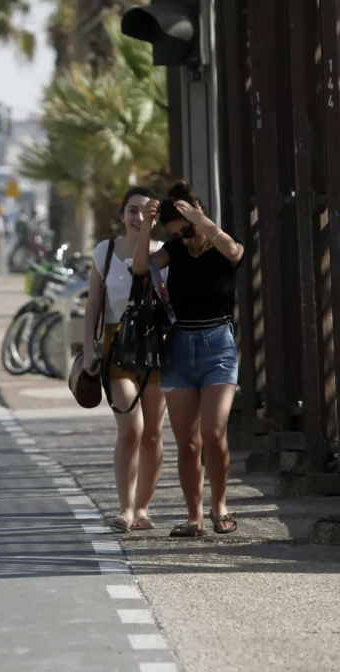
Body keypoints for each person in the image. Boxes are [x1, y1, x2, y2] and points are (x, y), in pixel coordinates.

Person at [132, 180, 244, 537]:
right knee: (188, 442)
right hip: (178, 347)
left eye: (189, 230)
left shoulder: (221, 248)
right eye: (178, 234)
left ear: (200, 217)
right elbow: (139, 268)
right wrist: (148, 226)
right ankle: (194, 517)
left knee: (213, 432)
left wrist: (202, 221)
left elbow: (234, 251)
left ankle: (219, 506)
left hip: (218, 347)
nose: (186, 238)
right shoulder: (173, 251)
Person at [82, 187, 167, 532]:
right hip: (117, 345)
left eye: (146, 211)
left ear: (155, 216)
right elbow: (94, 305)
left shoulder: (165, 253)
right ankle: (126, 507)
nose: (138, 217)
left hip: (156, 346)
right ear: (122, 215)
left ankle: (144, 507)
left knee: (153, 433)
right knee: (131, 429)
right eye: (132, 210)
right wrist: (89, 348)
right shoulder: (105, 251)